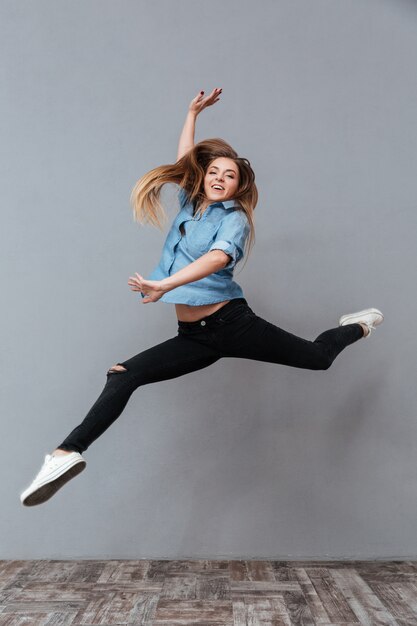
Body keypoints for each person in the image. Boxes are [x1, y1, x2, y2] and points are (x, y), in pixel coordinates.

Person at [20, 88, 384, 507]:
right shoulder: (190, 202)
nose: (219, 179)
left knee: (319, 358)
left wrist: (166, 285)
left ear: (238, 187)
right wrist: (191, 113)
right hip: (194, 336)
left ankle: (357, 325)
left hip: (233, 325)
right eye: (214, 172)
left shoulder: (235, 222)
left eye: (230, 176)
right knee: (123, 375)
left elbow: (216, 259)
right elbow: (186, 160)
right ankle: (65, 454)